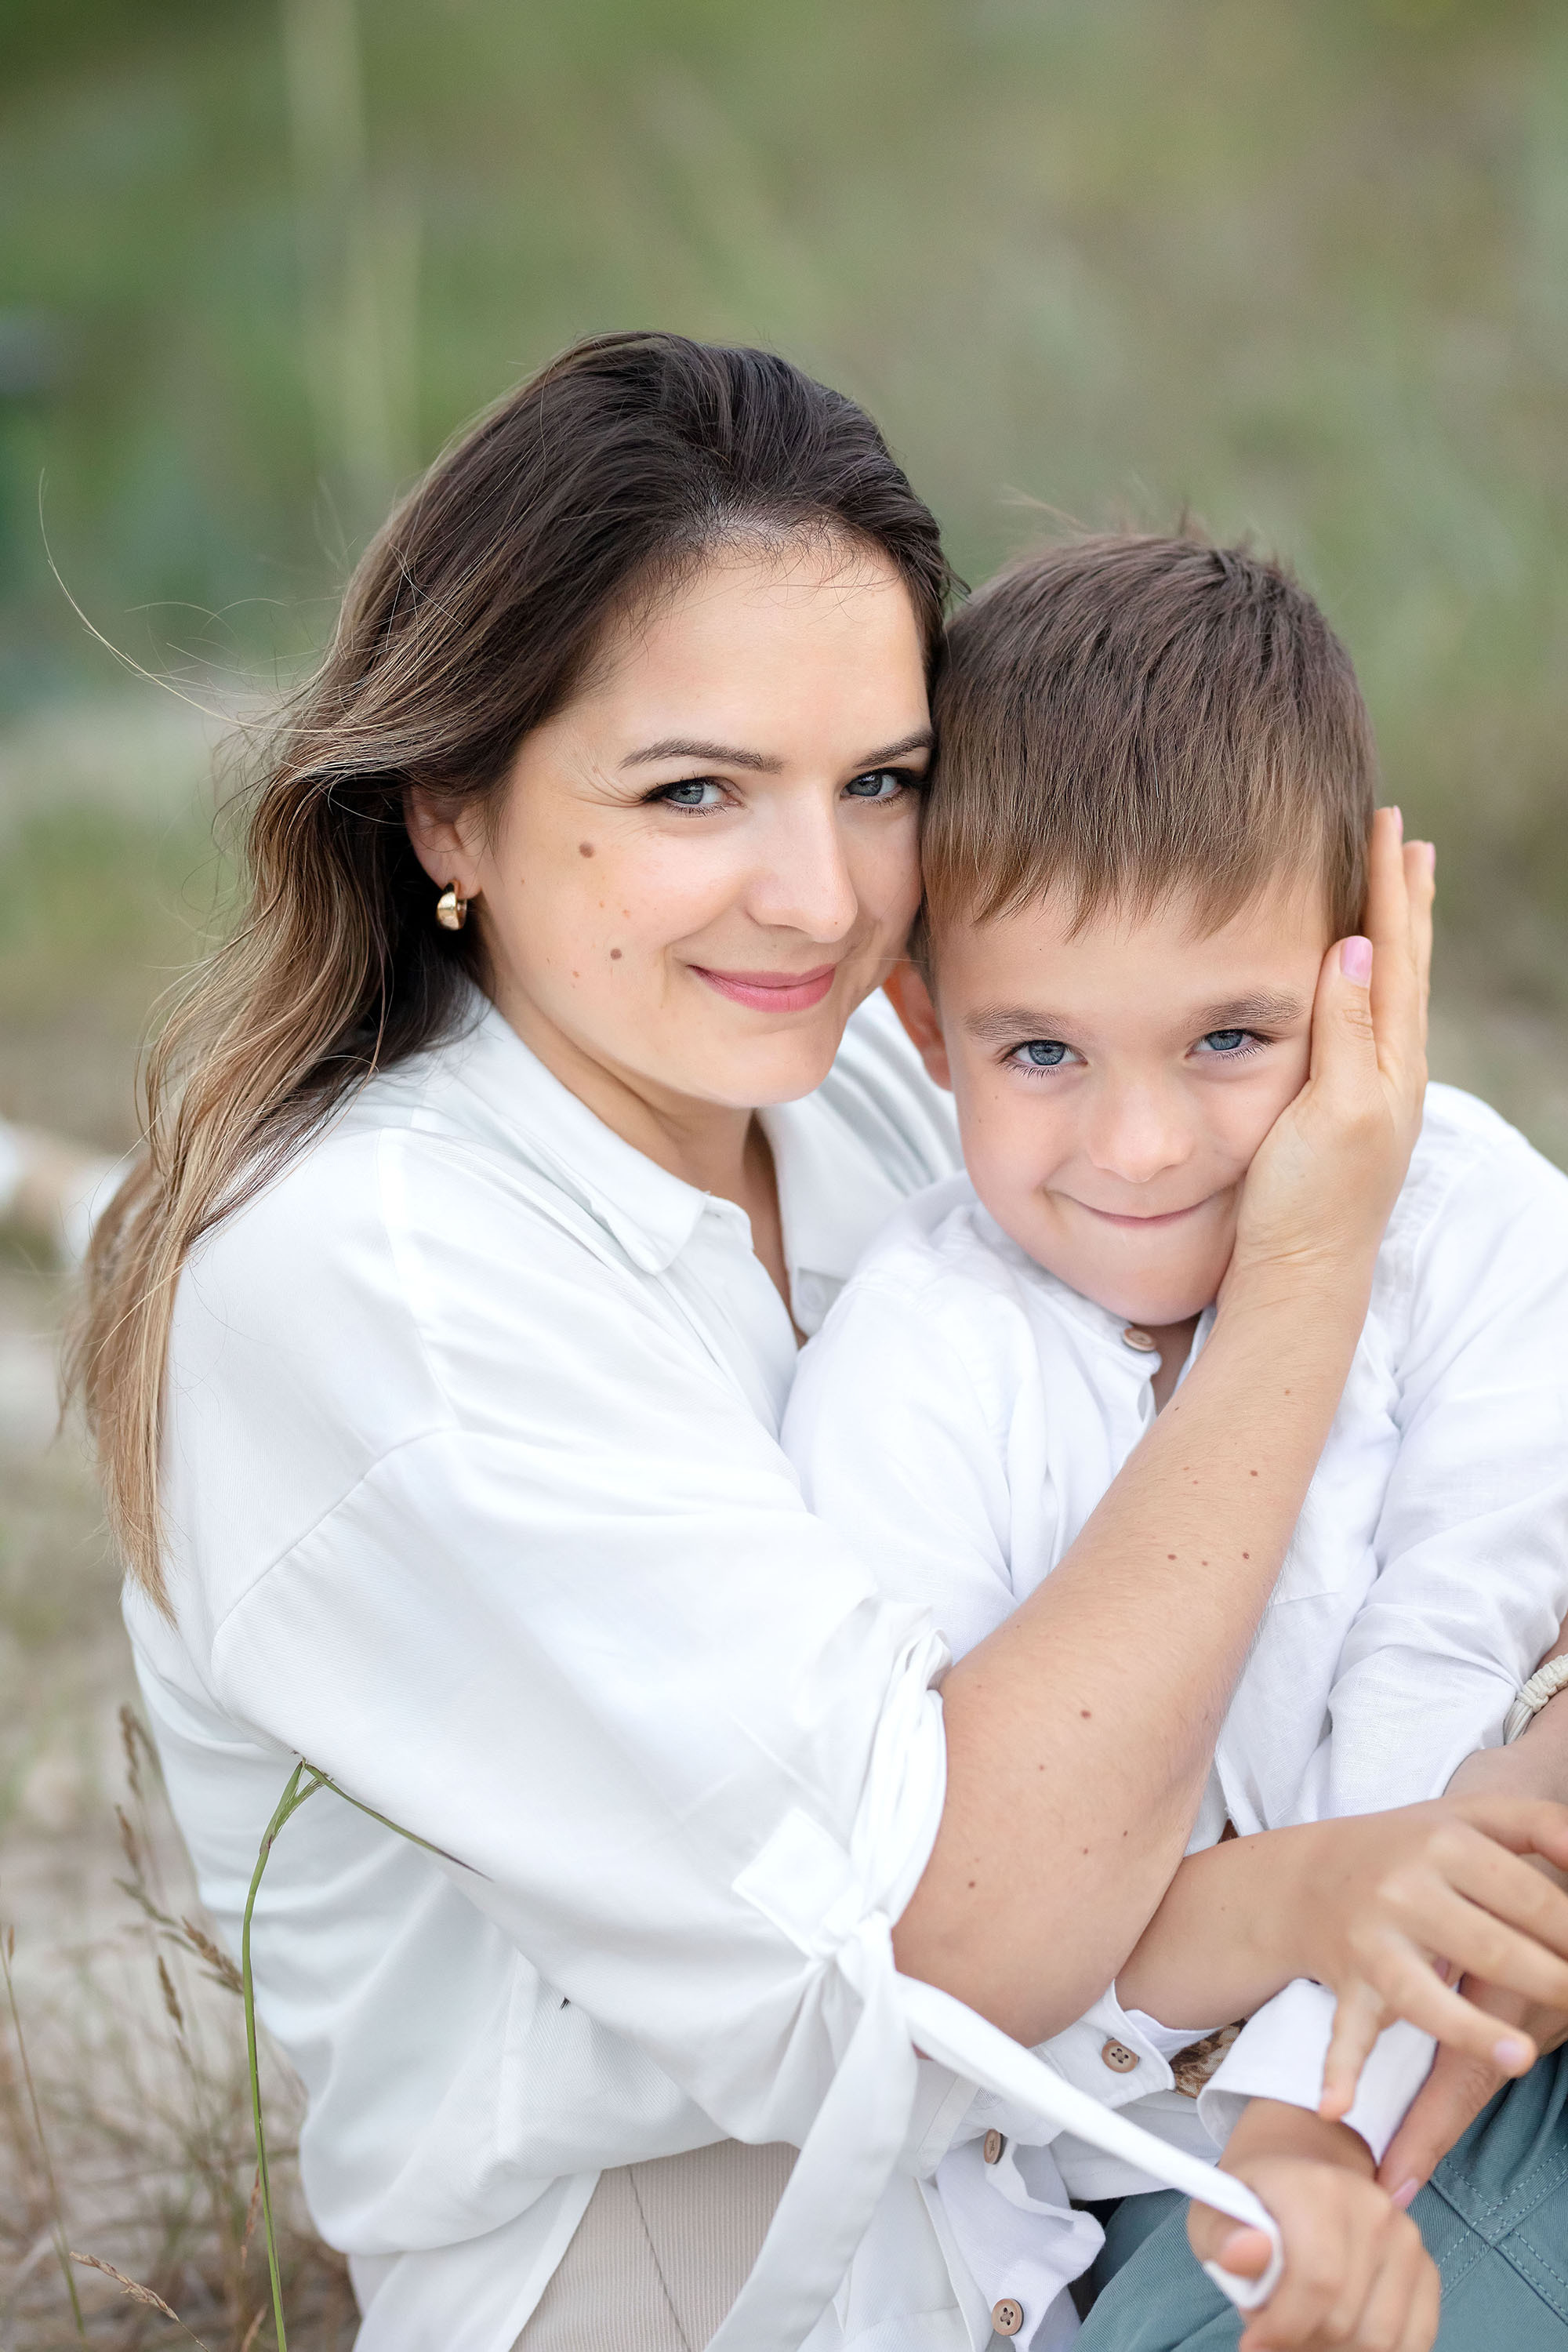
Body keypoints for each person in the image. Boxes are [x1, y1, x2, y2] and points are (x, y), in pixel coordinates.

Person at [67, 336, 1568, 2352]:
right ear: (450, 808)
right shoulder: (376, 1280)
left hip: (1152, 2118)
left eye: (881, 785)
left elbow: (1441, 1503)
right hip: (765, 2270)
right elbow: (952, 1940)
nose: (821, 897)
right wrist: (1304, 1265)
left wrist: (1497, 1858)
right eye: (695, 790)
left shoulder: (851, 1079)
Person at [783, 532, 1568, 2348]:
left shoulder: (1466, 1219)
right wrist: (1283, 2132)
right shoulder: (914, 1370)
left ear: (1366, 976)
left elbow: (1462, 1626)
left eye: (1230, 1035)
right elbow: (953, 1933)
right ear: (923, 1029)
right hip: (1136, 2186)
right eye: (1042, 1054)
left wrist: (1322, 2104)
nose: (1139, 1150)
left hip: (1468, 2041)